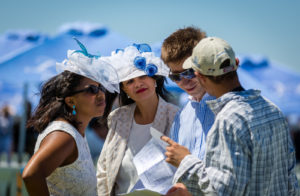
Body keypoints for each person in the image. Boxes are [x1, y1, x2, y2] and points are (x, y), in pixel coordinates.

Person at [163, 37, 300, 195]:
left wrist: (185, 161)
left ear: (200, 76)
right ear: (236, 63)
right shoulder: (273, 110)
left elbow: (223, 191)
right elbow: (290, 178)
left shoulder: (227, 119)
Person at [21, 39, 119, 196]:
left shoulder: (74, 132)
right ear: (70, 100)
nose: (101, 94)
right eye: (92, 89)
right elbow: (31, 175)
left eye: (101, 88)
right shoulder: (63, 135)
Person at [96, 43, 179, 195]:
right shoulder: (118, 118)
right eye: (130, 81)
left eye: (142, 76)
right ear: (125, 90)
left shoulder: (176, 117)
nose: (138, 84)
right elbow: (103, 169)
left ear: (155, 79)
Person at [160, 27, 215, 165]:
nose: (184, 81)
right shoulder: (182, 116)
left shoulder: (229, 109)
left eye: (189, 72)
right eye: (175, 76)